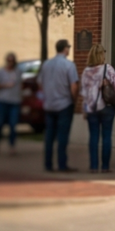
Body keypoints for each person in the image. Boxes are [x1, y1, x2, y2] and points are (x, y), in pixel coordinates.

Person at [38, 38, 79, 173]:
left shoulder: (46, 64)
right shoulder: (69, 65)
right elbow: (74, 86)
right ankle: (62, 164)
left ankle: (48, 164)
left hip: (49, 104)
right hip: (64, 104)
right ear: (66, 49)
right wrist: (74, 100)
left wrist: (47, 94)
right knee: (62, 137)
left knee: (49, 136)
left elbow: (40, 82)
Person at [80, 42, 115, 173]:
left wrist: (84, 109)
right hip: (107, 106)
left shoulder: (86, 71)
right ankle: (105, 166)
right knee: (107, 136)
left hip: (91, 108)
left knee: (93, 137)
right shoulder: (107, 68)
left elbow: (84, 92)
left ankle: (93, 166)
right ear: (101, 55)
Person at [0, 52, 22, 153]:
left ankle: (12, 146)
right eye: (9, 60)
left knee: (13, 124)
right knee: (0, 123)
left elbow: (20, 84)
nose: (10, 63)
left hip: (15, 102)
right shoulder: (0, 71)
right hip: (2, 101)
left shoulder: (17, 72)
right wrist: (5, 85)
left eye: (12, 61)